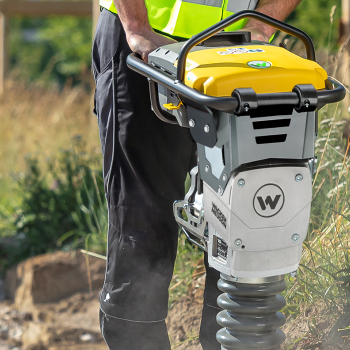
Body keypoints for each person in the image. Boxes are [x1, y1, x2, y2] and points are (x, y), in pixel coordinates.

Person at [90, 0, 299, 349]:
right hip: (145, 43)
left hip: (234, 50)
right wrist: (137, 26)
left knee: (240, 222)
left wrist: (265, 20)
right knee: (142, 226)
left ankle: (234, 342)